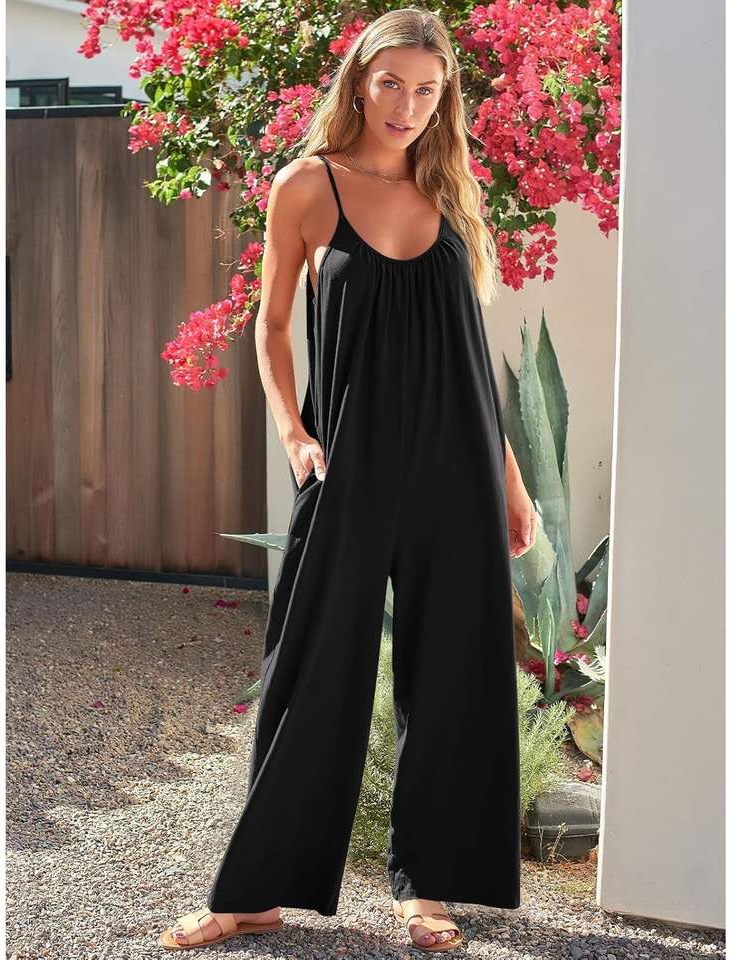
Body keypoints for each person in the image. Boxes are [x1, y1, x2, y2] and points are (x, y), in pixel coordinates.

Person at [159, 6, 537, 954]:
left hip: (457, 468)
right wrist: (294, 433)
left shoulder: (453, 194)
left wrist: (512, 480)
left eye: (427, 89)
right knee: (311, 666)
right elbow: (271, 325)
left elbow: (469, 354)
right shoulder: (308, 185)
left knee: (452, 670)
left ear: (444, 98)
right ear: (359, 83)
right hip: (349, 464)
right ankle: (256, 892)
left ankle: (428, 888)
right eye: (391, 83)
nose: (407, 105)